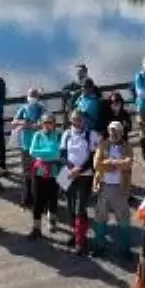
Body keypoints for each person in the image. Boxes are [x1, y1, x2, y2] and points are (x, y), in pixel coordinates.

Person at [60, 108, 100, 255]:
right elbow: (63, 154)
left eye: (79, 119)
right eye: (74, 119)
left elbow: (93, 157)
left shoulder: (92, 135)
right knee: (70, 205)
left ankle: (81, 242)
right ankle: (75, 233)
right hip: (69, 174)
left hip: (85, 176)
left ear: (84, 119)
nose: (77, 121)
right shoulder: (66, 134)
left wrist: (79, 169)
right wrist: (71, 169)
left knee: (80, 208)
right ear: (71, 120)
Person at [92, 120, 134, 260]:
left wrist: (110, 163)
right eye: (111, 130)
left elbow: (128, 163)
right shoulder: (103, 144)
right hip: (103, 186)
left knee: (123, 219)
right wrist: (117, 164)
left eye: (116, 130)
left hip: (120, 187)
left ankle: (125, 248)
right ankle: (99, 246)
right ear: (108, 131)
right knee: (100, 218)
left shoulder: (127, 146)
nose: (114, 133)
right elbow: (97, 164)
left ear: (121, 132)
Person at [26, 113, 63, 239]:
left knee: (52, 197)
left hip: (53, 170)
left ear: (54, 123)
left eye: (50, 122)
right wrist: (49, 153)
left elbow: (57, 154)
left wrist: (42, 154)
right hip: (39, 169)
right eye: (45, 122)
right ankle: (36, 228)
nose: (48, 125)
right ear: (41, 124)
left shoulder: (58, 135)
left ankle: (52, 220)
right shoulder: (37, 135)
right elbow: (32, 151)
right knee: (37, 199)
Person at [12, 87, 46, 207]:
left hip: (39, 146)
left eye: (34, 95)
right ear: (27, 96)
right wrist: (23, 123)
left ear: (38, 97)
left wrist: (38, 125)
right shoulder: (23, 108)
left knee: (39, 172)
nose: (32, 97)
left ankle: (39, 198)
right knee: (26, 172)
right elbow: (13, 122)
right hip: (25, 145)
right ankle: (27, 197)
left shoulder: (41, 108)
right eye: (30, 95)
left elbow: (47, 122)